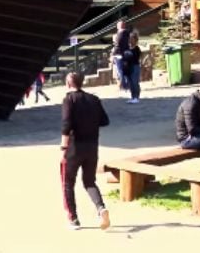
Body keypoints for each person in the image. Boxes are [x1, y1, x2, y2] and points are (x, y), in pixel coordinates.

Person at [59, 71, 111, 231]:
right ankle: (101, 208)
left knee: (67, 182)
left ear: (68, 84)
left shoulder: (69, 99)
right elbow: (105, 120)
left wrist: (63, 148)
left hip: (74, 147)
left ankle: (73, 219)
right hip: (92, 147)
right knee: (89, 181)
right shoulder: (94, 99)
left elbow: (66, 125)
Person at [112, 19, 131, 95]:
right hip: (126, 53)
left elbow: (117, 45)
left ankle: (124, 85)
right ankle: (127, 85)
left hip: (119, 54)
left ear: (119, 26)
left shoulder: (120, 34)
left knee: (121, 71)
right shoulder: (128, 33)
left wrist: (113, 54)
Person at [123, 31, 142, 104]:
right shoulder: (127, 48)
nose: (130, 40)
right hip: (128, 67)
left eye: (131, 38)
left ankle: (136, 97)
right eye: (129, 38)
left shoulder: (137, 49)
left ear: (135, 39)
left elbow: (136, 58)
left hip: (135, 66)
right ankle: (132, 97)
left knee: (135, 82)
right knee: (130, 83)